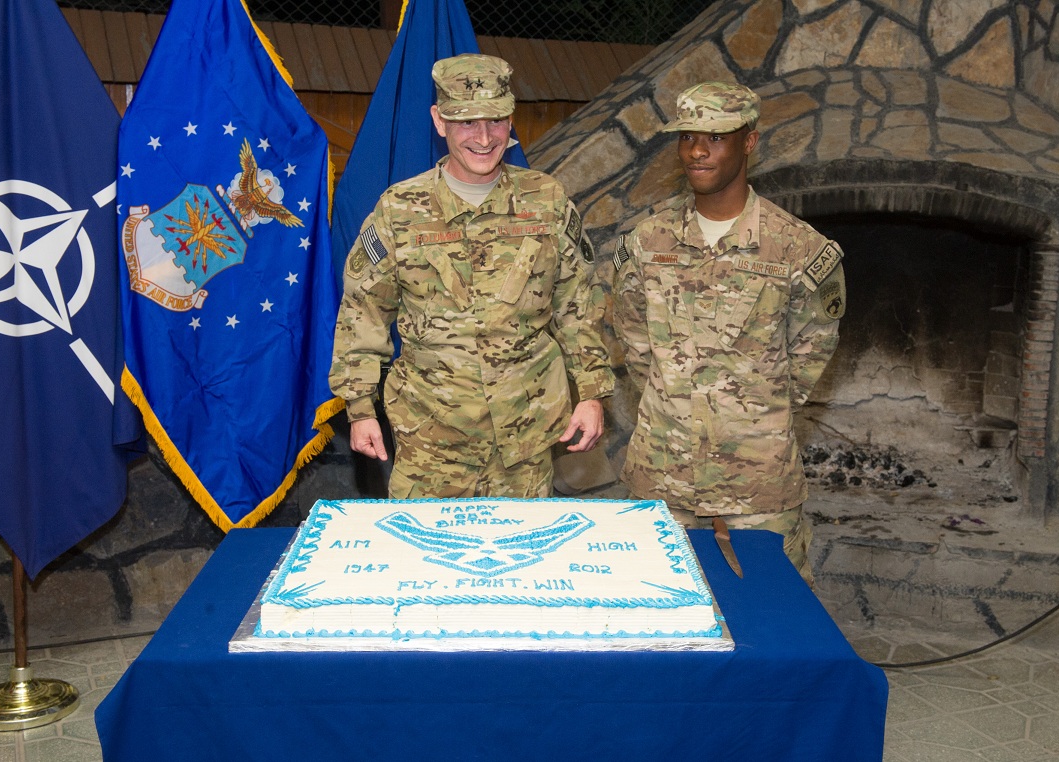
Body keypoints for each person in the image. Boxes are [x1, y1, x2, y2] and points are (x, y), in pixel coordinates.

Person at [330, 54, 614, 499]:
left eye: (496, 121)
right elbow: (362, 310)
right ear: (439, 121)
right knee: (424, 560)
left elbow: (577, 304)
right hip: (431, 439)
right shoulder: (399, 210)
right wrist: (361, 407)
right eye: (466, 122)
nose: (484, 138)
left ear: (510, 119)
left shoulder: (547, 201)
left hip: (525, 437)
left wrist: (592, 393)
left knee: (520, 558)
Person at [611, 82, 846, 583]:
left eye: (716, 138)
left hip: (757, 479)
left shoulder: (798, 249)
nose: (697, 150)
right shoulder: (647, 241)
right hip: (663, 471)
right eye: (688, 137)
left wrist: (751, 413)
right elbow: (633, 342)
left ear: (750, 143)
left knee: (778, 616)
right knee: (658, 615)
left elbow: (811, 352)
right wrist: (674, 398)